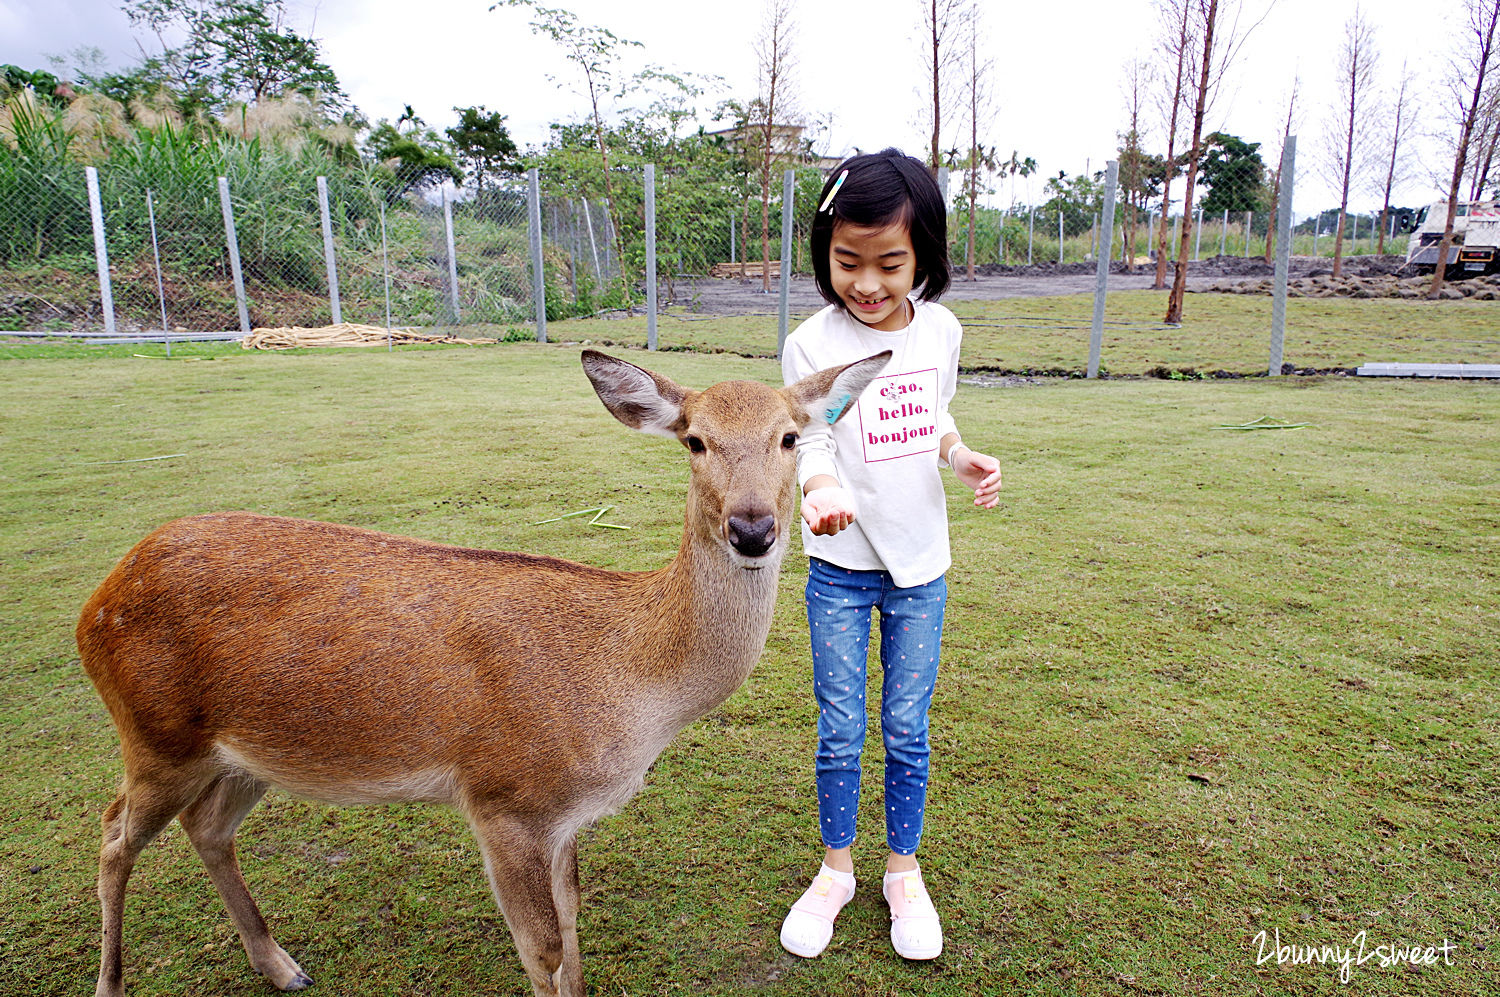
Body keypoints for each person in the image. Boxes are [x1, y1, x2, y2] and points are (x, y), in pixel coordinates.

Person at [778, 149, 1001, 962]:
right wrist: (819, 487)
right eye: (847, 262)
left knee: (907, 726)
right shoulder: (811, 344)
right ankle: (836, 869)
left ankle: (901, 871)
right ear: (825, 253)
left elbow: (933, 413)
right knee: (841, 729)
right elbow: (813, 436)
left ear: (925, 257)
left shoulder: (941, 329)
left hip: (922, 566)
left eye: (889, 264)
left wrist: (960, 452)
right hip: (838, 568)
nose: (866, 283)